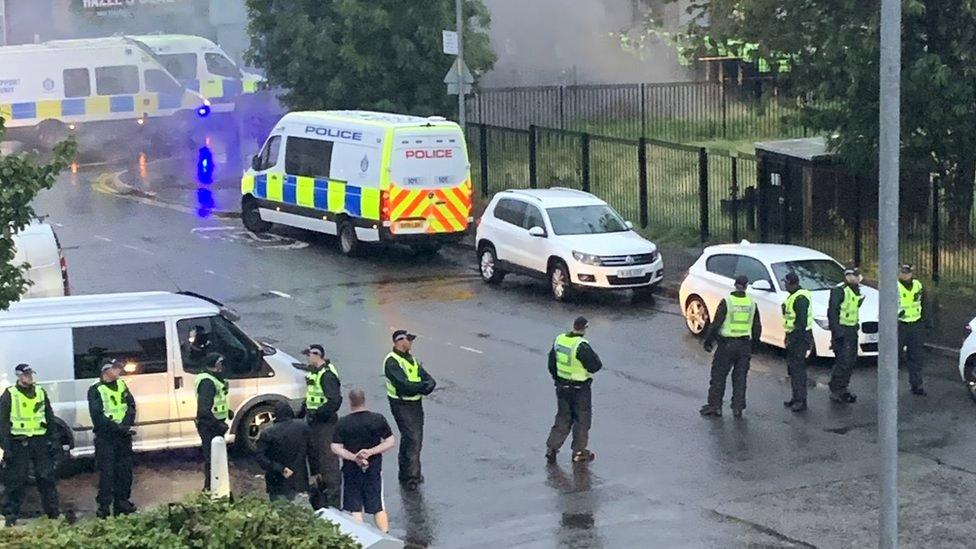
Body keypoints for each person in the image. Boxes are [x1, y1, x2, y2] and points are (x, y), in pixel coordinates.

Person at [0, 364, 60, 526]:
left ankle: (53, 514)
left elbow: (49, 416)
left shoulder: (40, 392)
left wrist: (54, 439)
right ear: (19, 376)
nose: (29, 377)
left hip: (39, 441)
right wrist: (6, 447)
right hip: (19, 442)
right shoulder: (10, 394)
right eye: (26, 375)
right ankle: (10, 516)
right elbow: (3, 422)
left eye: (30, 374)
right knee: (16, 480)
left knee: (46, 477)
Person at [331, 389, 396, 532]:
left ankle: (360, 538)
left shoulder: (343, 423)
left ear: (350, 402)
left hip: (351, 470)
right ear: (364, 400)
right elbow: (390, 441)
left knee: (355, 508)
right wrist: (370, 452)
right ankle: (386, 536)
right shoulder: (377, 419)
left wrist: (354, 457)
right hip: (373, 468)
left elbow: (335, 447)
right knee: (378, 506)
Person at [545, 316, 602, 464]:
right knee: (582, 420)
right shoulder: (581, 345)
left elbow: (551, 364)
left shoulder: (560, 340)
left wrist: (558, 379)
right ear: (584, 328)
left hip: (562, 387)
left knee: (563, 417)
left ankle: (552, 448)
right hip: (580, 389)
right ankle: (579, 452)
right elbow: (595, 365)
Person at [384, 329, 436, 490]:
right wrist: (422, 387)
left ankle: (408, 473)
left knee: (413, 438)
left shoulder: (411, 359)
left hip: (415, 404)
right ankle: (411, 477)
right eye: (409, 340)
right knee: (412, 438)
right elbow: (404, 385)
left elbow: (429, 379)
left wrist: (425, 387)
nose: (411, 343)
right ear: (400, 341)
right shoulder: (392, 362)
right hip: (401, 404)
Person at [700, 275, 757, 419]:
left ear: (735, 284)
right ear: (746, 286)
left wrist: (708, 341)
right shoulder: (751, 303)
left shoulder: (728, 302)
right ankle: (738, 408)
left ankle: (715, 406)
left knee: (719, 375)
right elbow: (757, 327)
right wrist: (753, 346)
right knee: (740, 378)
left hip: (727, 345)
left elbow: (717, 322)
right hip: (744, 345)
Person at [87, 358, 137, 518]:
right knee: (107, 473)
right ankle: (104, 506)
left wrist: (126, 423)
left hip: (123, 437)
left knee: (125, 472)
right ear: (106, 371)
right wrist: (117, 427)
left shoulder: (122, 385)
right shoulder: (96, 390)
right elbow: (97, 415)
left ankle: (122, 502)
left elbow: (131, 405)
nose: (119, 371)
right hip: (106, 438)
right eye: (115, 368)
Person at [300, 344, 342, 509]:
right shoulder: (314, 372)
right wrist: (304, 411)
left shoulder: (327, 375)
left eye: (309, 355)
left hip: (325, 425)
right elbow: (311, 395)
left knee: (328, 461)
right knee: (315, 460)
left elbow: (334, 401)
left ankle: (333, 504)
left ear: (317, 355)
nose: (307, 359)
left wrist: (317, 413)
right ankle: (320, 500)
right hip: (314, 423)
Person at [254, 401, 320, 503]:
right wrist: (315, 472)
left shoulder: (268, 433)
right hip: (299, 481)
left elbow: (260, 457)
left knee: (280, 512)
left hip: (276, 482)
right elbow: (313, 452)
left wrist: (280, 468)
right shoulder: (303, 427)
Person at [195, 353, 233, 491]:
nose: (223, 367)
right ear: (216, 365)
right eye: (221, 364)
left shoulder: (211, 379)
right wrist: (218, 425)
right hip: (210, 426)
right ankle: (211, 489)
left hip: (211, 424)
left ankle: (213, 488)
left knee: (216, 458)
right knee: (213, 460)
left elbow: (217, 402)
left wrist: (226, 412)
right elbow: (204, 411)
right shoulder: (208, 382)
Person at [827, 266, 865, 404]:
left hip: (851, 330)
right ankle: (837, 389)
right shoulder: (840, 290)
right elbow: (832, 312)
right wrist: (838, 333)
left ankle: (842, 388)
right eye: (851, 276)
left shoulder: (855, 290)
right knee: (844, 361)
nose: (854, 278)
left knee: (850, 361)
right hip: (843, 331)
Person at [781, 272, 813, 412]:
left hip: (799, 338)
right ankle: (796, 397)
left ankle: (800, 400)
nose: (785, 285)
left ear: (791, 283)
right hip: (794, 336)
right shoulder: (793, 296)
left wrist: (792, 339)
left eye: (786, 283)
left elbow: (801, 322)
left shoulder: (800, 298)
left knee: (798, 369)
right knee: (793, 369)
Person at [898, 264, 926, 396]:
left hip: (915, 324)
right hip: (899, 325)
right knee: (894, 356)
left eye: (907, 272)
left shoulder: (918, 285)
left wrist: (925, 323)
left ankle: (917, 385)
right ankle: (888, 386)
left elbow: (924, 304)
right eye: (903, 272)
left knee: (916, 356)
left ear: (911, 273)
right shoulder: (894, 286)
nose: (905, 275)